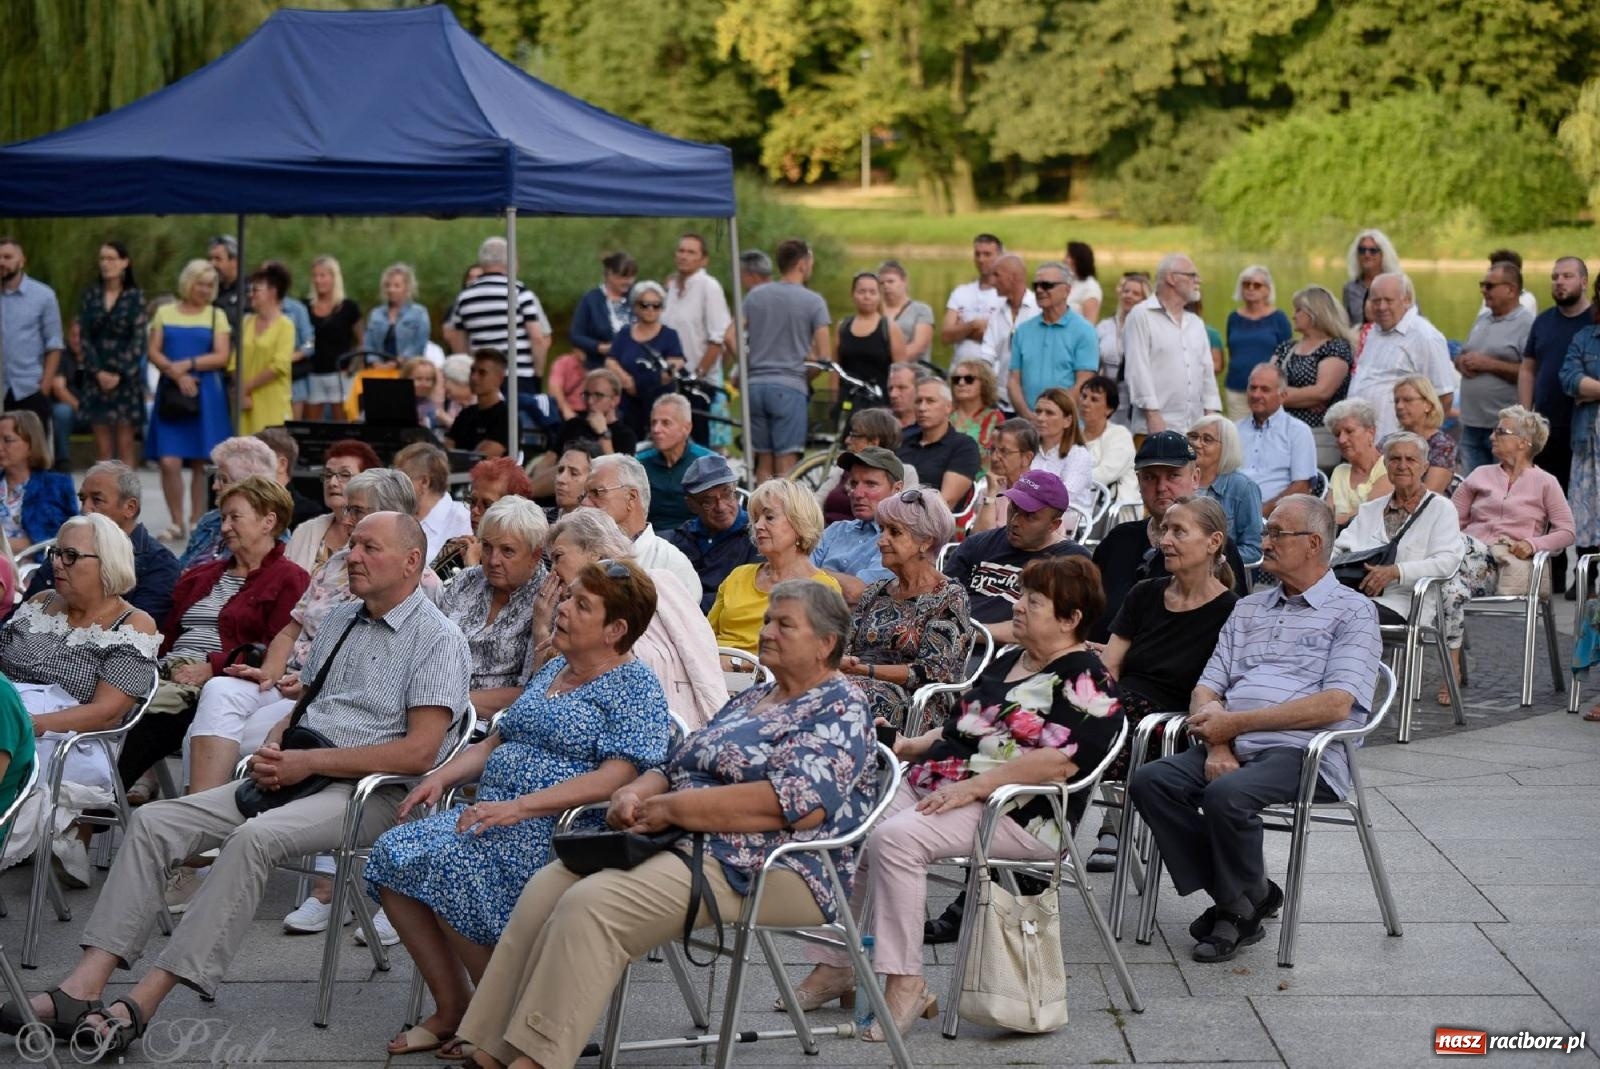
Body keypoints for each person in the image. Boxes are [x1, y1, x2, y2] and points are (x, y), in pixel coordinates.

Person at [3, 512, 471, 1057]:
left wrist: (308, 759)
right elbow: (307, 704)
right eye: (354, 545)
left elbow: (420, 752)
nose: (353, 556)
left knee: (254, 839)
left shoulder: (438, 639)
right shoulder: (343, 617)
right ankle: (81, 987)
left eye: (370, 547)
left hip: (376, 792)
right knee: (156, 821)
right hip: (301, 771)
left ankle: (143, 1004)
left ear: (412, 561)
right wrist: (279, 740)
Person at [454, 579, 873, 1068]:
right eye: (766, 621)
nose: (767, 632)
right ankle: (492, 1045)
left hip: (775, 865)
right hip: (687, 842)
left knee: (593, 905)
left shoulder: (839, 706)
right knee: (551, 883)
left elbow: (795, 805)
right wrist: (634, 792)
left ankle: (539, 1056)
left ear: (826, 643)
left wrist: (673, 810)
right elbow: (675, 765)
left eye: (784, 624)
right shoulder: (754, 697)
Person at [794, 556, 1121, 1038]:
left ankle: (906, 983)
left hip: (1016, 811)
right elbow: (959, 730)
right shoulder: (1012, 660)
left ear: (1071, 619)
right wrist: (905, 745)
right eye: (1022, 595)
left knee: (895, 842)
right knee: (851, 829)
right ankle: (836, 965)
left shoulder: (1086, 681)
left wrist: (974, 787)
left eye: (1034, 601)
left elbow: (1059, 763)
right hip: (943, 782)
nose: (1020, 607)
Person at [367, 556, 669, 1058]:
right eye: (568, 597)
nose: (563, 610)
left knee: (450, 867)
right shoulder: (554, 666)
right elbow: (494, 743)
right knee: (392, 854)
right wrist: (439, 776)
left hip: (561, 833)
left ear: (616, 630)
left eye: (581, 605)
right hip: (494, 818)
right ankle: (454, 1005)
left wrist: (521, 807)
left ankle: (499, 1016)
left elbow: (619, 776)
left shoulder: (636, 687)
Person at [1131, 494, 1381, 963]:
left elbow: (1336, 703)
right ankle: (1245, 899)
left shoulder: (1353, 612)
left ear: (1312, 543)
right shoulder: (1248, 609)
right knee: (1151, 781)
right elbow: (1206, 689)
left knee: (1227, 796)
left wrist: (1235, 724)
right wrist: (1219, 744)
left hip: (1305, 752)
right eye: (1265, 532)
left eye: (1275, 533)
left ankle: (1237, 910)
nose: (1263, 542)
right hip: (1232, 744)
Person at [115, 476, 310, 795]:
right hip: (164, 671)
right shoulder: (201, 576)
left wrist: (213, 667)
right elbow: (165, 633)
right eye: (223, 518)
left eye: (235, 517)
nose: (224, 528)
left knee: (148, 717)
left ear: (268, 521)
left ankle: (87, 810)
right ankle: (80, 799)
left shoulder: (290, 579)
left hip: (216, 679)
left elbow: (275, 647)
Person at [0, 515, 158, 882]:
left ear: (108, 564)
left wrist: (28, 725)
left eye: (70, 555)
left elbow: (107, 713)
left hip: (69, 737)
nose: (56, 562)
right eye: (56, 552)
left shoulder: (133, 624)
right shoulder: (40, 602)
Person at [1088, 496, 1239, 871]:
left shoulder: (1231, 610)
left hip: (1168, 724)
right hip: (1122, 707)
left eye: (1178, 531)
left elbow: (1221, 689)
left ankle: (1037, 842)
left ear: (1213, 542)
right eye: (1164, 530)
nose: (1164, 540)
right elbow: (1109, 668)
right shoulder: (1145, 593)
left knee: (1064, 749)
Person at [539, 508, 725, 728]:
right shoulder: (559, 607)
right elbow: (540, 690)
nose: (553, 571)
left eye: (558, 557)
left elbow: (701, 658)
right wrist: (541, 624)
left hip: (639, 725)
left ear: (595, 553)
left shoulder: (661, 585)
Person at [1440, 406, 1575, 700]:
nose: (1492, 436)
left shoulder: (1546, 482)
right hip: (1468, 561)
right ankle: (1452, 668)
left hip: (1505, 565)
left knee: (1441, 576)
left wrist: (1533, 543)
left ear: (1524, 442)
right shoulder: (1480, 475)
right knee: (1449, 590)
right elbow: (1447, 520)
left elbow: (1566, 531)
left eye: (1501, 431)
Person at [1091, 431, 1250, 642]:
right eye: (1150, 477)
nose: (1161, 487)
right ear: (1138, 482)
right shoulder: (1118, 539)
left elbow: (1235, 629)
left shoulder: (1213, 546)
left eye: (1173, 475)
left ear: (1195, 478)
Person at [840, 487, 971, 727]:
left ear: (926, 542)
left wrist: (865, 671)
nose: (881, 541)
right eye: (882, 530)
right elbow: (846, 648)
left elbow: (930, 672)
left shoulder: (948, 596)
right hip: (857, 684)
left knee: (840, 697)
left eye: (894, 532)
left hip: (916, 704)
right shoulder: (876, 591)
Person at [19, 461, 181, 624]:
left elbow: (139, 633)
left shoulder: (158, 564)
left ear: (130, 508)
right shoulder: (64, 551)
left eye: (96, 500)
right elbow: (18, 618)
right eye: (82, 499)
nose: (85, 509)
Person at [1332, 432, 1463, 629]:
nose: (1402, 466)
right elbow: (1337, 550)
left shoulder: (1441, 508)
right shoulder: (1370, 509)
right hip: (1357, 596)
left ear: (1424, 467)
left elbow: (1447, 562)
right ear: (1385, 466)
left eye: (1410, 459)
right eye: (1394, 459)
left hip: (1406, 603)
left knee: (1343, 617)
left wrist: (1396, 572)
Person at [943, 470, 1087, 643]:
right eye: (1014, 508)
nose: (1015, 521)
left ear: (1053, 525)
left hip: (1006, 655)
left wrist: (970, 634)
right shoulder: (979, 543)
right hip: (948, 644)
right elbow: (938, 599)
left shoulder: (1070, 561)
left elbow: (1048, 628)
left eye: (1030, 516)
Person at [146, 260, 232, 541]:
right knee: (169, 460)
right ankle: (175, 520)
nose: (205, 290)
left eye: (210, 285)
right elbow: (153, 351)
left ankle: (196, 519)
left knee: (200, 461)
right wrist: (175, 371)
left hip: (205, 393)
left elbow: (222, 355)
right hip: (172, 392)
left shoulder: (216, 315)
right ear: (188, 283)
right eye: (201, 284)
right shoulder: (164, 312)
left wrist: (188, 364)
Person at [1519, 257, 1589, 595]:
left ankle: (1585, 572)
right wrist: (1525, 413)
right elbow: (1528, 367)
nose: (1560, 282)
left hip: (1585, 428)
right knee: (1548, 501)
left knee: (1585, 500)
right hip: (1546, 428)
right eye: (1555, 277)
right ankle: (1553, 572)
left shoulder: (1594, 322)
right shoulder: (1544, 322)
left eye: (1567, 276)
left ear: (1584, 281)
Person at [710, 480, 840, 651]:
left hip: (770, 675)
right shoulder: (738, 576)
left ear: (799, 523)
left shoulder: (822, 588)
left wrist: (738, 665)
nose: (757, 526)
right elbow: (705, 634)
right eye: (756, 519)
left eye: (769, 517)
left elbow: (811, 659)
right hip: (714, 671)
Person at [742, 238, 831, 480]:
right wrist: (804, 376)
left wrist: (748, 364)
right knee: (786, 464)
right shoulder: (814, 301)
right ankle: (784, 516)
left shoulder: (755, 296)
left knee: (763, 459)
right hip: (789, 388)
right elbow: (825, 358)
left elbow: (731, 336)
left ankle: (758, 514)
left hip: (755, 386)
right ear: (802, 264)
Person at [443, 236, 552, 410]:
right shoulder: (520, 293)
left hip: (482, 377)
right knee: (518, 428)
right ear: (510, 261)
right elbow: (537, 339)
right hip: (519, 375)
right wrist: (537, 375)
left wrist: (471, 369)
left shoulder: (465, 296)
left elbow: (456, 338)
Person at [1347, 272, 1458, 441]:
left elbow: (1443, 397)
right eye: (1376, 300)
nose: (1381, 307)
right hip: (1362, 440)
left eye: (1388, 300)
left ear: (1406, 300)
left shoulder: (1425, 336)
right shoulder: (1374, 331)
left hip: (1399, 445)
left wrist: (1420, 440)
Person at [581, 453, 701, 604]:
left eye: (596, 493)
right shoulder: (575, 551)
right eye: (583, 495)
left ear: (631, 497)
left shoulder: (671, 564)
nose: (585, 503)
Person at [1124, 254, 1220, 435]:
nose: (1197, 280)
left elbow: (1207, 375)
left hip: (1194, 429)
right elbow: (1137, 370)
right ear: (1171, 278)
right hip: (1155, 427)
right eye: (1191, 275)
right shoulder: (1141, 315)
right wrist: (1153, 416)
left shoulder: (1196, 323)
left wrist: (1211, 418)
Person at [1457, 261, 1536, 474]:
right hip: (1471, 422)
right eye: (1482, 284)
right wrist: (1461, 362)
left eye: (1489, 285)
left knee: (1502, 488)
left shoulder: (1527, 324)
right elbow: (1464, 353)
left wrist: (1489, 365)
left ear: (1511, 289)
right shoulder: (1482, 319)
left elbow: (1531, 373)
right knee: (1472, 486)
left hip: (1504, 428)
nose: (1484, 290)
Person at [76, 241, 146, 466]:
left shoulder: (135, 297)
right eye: (102, 259)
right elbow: (84, 337)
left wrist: (119, 373)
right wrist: (97, 372)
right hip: (96, 377)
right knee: (103, 448)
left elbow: (138, 339)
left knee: (126, 444)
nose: (106, 264)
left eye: (111, 258)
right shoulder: (91, 296)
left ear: (125, 262)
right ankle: (103, 499)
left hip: (125, 378)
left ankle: (130, 499)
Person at [1272, 284, 1354, 470]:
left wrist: (1280, 395)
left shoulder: (1335, 347)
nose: (1293, 315)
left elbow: (1322, 392)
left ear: (1315, 312)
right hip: (1280, 435)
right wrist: (1305, 397)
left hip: (1317, 438)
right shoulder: (1285, 348)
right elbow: (1265, 388)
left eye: (1299, 310)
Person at [666, 455, 762, 613]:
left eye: (727, 494)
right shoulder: (682, 538)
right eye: (708, 501)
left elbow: (743, 597)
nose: (721, 507)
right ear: (692, 505)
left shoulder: (756, 535)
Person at [174, 436, 281, 571]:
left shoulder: (272, 535)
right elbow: (179, 568)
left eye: (223, 479)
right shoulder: (209, 521)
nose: (215, 486)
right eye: (216, 478)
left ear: (248, 485)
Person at [812, 448, 904, 604]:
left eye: (870, 484)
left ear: (897, 489)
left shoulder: (901, 539)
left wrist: (809, 574)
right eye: (854, 483)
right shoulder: (836, 530)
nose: (857, 493)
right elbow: (792, 578)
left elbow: (856, 592)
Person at [660, 234, 732, 434]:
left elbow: (718, 337)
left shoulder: (709, 287)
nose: (684, 256)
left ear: (703, 259)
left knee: (698, 440)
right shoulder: (671, 287)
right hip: (670, 379)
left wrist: (697, 375)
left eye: (691, 252)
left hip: (698, 381)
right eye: (681, 251)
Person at [1007, 261, 1099, 415]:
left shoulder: (1084, 331)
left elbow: (1084, 383)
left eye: (1047, 285)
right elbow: (1013, 382)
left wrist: (1053, 415)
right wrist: (1028, 416)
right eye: (1035, 285)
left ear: (1067, 290)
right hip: (1028, 425)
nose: (1039, 290)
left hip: (1067, 424)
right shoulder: (1022, 331)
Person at [283, 439, 381, 574]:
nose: (332, 483)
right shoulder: (305, 530)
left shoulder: (381, 533)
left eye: (345, 475)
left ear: (368, 482)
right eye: (328, 475)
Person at [431, 457, 532, 581]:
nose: (475, 510)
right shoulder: (455, 548)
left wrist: (472, 568)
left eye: (487, 505)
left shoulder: (524, 561)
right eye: (472, 502)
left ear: (514, 509)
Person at [0, 236, 64, 433]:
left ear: (22, 260)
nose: (1, 262)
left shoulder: (43, 296)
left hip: (29, 387)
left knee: (34, 455)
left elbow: (54, 344)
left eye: (7, 257)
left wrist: (44, 388)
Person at [1558, 282, 1600, 576]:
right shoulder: (1585, 337)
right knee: (1587, 511)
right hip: (1590, 439)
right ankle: (1585, 577)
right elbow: (1570, 378)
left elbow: (1583, 385)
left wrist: (1593, 390)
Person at [1238, 363, 1317, 516]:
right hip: (1231, 514)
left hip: (1277, 517)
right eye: (1252, 388)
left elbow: (1302, 487)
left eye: (1265, 389)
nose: (1256, 395)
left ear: (1283, 396)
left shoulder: (1298, 431)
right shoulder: (1234, 430)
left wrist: (1259, 513)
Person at [816, 407, 920, 523]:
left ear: (874, 442)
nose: (847, 440)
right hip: (829, 533)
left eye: (853, 435)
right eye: (854, 483)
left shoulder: (904, 472)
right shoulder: (844, 469)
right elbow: (815, 503)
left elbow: (905, 514)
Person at [608, 281, 684, 436]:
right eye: (644, 304)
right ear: (635, 306)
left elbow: (676, 361)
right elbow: (610, 361)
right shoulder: (624, 333)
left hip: (658, 400)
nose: (650, 309)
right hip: (627, 402)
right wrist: (624, 378)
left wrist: (659, 377)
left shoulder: (670, 335)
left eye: (656, 305)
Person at [1187, 414, 1264, 562]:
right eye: (1193, 436)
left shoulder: (1243, 488)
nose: (1196, 443)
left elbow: (1254, 549)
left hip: (1223, 577)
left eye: (1207, 439)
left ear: (1226, 448)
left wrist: (1210, 558)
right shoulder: (1178, 479)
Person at [897, 378, 981, 511]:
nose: (922, 408)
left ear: (948, 407)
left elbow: (946, 501)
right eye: (918, 401)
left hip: (931, 522)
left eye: (930, 401)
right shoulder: (902, 439)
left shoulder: (964, 446)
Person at [296, 255, 362, 422]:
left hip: (340, 373)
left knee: (342, 425)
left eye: (323, 275)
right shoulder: (305, 307)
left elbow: (361, 341)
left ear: (334, 277)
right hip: (313, 372)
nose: (318, 280)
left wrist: (352, 367)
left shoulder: (348, 307)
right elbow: (306, 338)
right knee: (311, 426)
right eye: (315, 276)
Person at [0, 411, 75, 555]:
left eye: (7, 440)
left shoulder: (56, 485)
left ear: (30, 444)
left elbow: (61, 537)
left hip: (34, 568)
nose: (0, 447)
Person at [636, 393, 712, 532]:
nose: (656, 429)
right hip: (651, 540)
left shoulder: (706, 462)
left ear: (686, 428)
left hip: (696, 539)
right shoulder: (640, 463)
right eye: (654, 422)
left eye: (666, 423)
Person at [1223, 266, 1292, 419]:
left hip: (1268, 392)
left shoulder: (1279, 318)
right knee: (1238, 437)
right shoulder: (1233, 318)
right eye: (1246, 284)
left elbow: (1287, 356)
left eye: (1257, 285)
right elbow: (1232, 350)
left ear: (1267, 289)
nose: (1251, 288)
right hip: (1237, 388)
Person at [236, 263, 294, 436]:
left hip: (271, 404)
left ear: (273, 291)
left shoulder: (286, 326)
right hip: (244, 405)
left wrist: (245, 388)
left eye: (256, 289)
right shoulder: (246, 322)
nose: (250, 294)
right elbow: (234, 362)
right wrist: (239, 391)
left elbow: (279, 365)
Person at [393, 443, 471, 565]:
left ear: (424, 482)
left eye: (399, 479)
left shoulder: (464, 520)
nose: (394, 485)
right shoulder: (395, 516)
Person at [1096, 272, 1152, 427]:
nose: (1129, 296)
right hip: (1107, 394)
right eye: (1126, 291)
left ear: (1145, 299)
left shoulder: (1150, 329)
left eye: (1136, 293)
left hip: (1136, 398)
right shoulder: (1105, 326)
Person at [835, 271, 906, 393]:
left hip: (880, 401)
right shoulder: (842, 327)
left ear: (880, 296)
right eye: (862, 292)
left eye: (872, 292)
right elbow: (834, 371)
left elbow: (901, 373)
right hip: (847, 400)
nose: (867, 296)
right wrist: (833, 402)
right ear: (853, 294)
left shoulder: (889, 328)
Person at [1324, 399, 1392, 526]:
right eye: (1337, 434)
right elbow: (1326, 514)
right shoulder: (1340, 472)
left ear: (1370, 433)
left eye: (1349, 431)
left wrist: (1334, 520)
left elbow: (1370, 512)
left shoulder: (1388, 466)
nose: (1342, 440)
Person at [942, 233, 1008, 362]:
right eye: (977, 254)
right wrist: (973, 325)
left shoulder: (1006, 295)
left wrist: (961, 331)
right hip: (960, 373)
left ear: (1000, 257)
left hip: (993, 373)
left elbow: (1005, 340)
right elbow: (946, 336)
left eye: (987, 254)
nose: (981, 259)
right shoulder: (960, 292)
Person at [974, 254, 1036, 388]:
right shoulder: (996, 313)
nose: (992, 281)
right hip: (1002, 397)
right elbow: (987, 354)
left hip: (1036, 398)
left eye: (997, 275)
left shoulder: (1040, 310)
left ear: (1013, 278)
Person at [569, 251, 635, 370]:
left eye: (631, 277)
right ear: (609, 275)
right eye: (623, 277)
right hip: (601, 367)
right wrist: (598, 347)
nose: (628, 282)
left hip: (635, 365)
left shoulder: (636, 297)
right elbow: (576, 335)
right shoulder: (591, 299)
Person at [1393, 374, 1458, 494]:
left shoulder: (1442, 445)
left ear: (1427, 405)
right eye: (1396, 401)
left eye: (1407, 400)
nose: (1399, 406)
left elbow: (1430, 494)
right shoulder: (1390, 441)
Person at [972, 417, 1039, 533]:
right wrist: (991, 494)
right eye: (992, 450)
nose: (994, 458)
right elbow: (978, 540)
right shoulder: (989, 489)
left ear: (1026, 458)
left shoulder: (1041, 493)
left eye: (1004, 451)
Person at [1029, 385, 1094, 505]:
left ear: (1067, 421)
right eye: (1038, 411)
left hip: (1067, 520)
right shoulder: (1028, 449)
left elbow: (1063, 497)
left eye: (1049, 413)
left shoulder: (1078, 455)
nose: (1041, 418)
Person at [1080, 374, 1138, 504]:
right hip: (1080, 504)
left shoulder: (1120, 435)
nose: (1085, 403)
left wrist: (1067, 482)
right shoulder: (1073, 435)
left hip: (1116, 511)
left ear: (1109, 409)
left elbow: (1104, 474)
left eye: (1094, 399)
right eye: (1084, 396)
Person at [444, 348, 511, 459]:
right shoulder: (465, 414)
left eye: (482, 373)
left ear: (499, 378)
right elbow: (446, 450)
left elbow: (482, 458)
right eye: (472, 371)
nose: (474, 377)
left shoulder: (507, 417)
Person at [364, 263, 430, 363]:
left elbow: (418, 344)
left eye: (396, 286)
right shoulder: (376, 314)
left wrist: (398, 362)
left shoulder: (419, 313)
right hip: (378, 370)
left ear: (407, 287)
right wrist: (375, 362)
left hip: (408, 369)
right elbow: (369, 344)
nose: (391, 290)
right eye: (388, 286)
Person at [948, 357, 1002, 466]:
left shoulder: (995, 418)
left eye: (969, 379)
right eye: (956, 379)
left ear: (984, 383)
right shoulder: (944, 415)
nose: (961, 383)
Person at [877, 259, 933, 363]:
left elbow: (918, 347)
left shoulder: (922, 310)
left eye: (890, 281)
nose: (886, 286)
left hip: (914, 371)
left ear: (904, 282)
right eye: (881, 283)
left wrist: (887, 362)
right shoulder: (875, 312)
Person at [1342, 229, 1400, 326]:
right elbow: (1347, 325)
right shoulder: (1350, 288)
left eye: (1373, 251)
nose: (1367, 255)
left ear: (1384, 255)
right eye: (1362, 250)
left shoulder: (1399, 285)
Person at [550, 442, 598, 521]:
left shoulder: (602, 529)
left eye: (574, 473)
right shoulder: (540, 520)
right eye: (560, 470)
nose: (561, 479)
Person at [206, 236, 242, 333]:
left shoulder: (250, 292)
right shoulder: (207, 291)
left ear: (234, 261)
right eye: (210, 258)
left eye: (218, 259)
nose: (212, 264)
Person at [1065, 240, 1103, 323]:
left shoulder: (1090, 287)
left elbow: (1090, 323)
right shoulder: (1070, 282)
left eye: (1068, 256)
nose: (1065, 260)